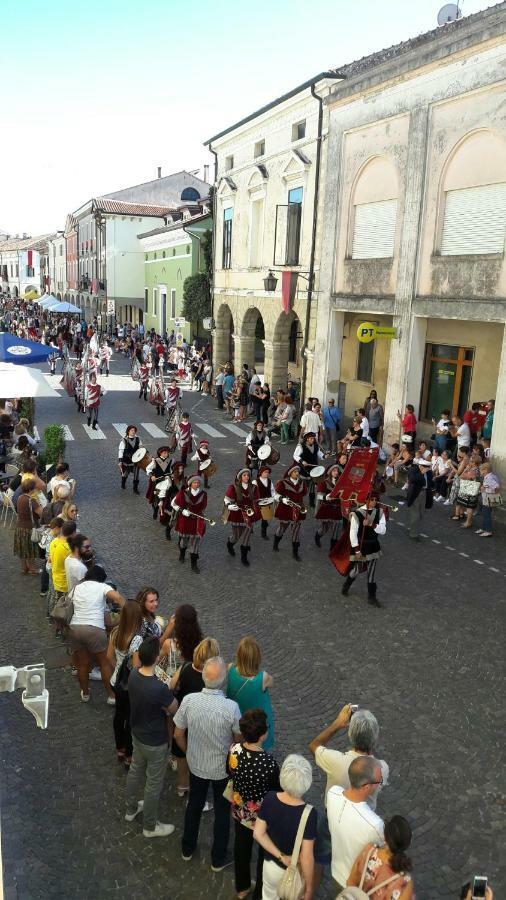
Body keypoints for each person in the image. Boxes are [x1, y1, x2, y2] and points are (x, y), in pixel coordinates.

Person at [174, 656, 242, 871]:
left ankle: (187, 848)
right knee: (223, 814)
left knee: (194, 805)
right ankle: (218, 859)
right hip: (222, 769)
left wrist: (189, 751)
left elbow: (177, 734)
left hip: (196, 764)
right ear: (222, 681)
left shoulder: (189, 701)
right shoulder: (231, 708)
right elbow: (238, 740)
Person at [125, 636, 179, 838]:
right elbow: (174, 708)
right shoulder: (159, 688)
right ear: (156, 658)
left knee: (135, 771)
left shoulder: (133, 676)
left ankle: (130, 809)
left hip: (137, 734)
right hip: (156, 741)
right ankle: (150, 826)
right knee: (153, 783)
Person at [227, 710, 280, 900]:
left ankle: (242, 887)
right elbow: (276, 790)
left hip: (240, 809)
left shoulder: (234, 749)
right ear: (263, 735)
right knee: (263, 853)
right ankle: (260, 892)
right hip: (261, 815)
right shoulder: (268, 763)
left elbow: (230, 771)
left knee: (241, 846)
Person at [253, 754, 317, 900]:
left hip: (271, 866)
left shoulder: (269, 798)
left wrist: (281, 856)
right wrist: (309, 887)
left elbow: (258, 833)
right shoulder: (310, 814)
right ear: (307, 783)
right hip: (293, 871)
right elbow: (307, 857)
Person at [309, 706, 389, 810]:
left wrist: (337, 723)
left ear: (350, 734)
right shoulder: (383, 768)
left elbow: (314, 746)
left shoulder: (334, 761)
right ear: (375, 736)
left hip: (333, 814)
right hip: (363, 820)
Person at [169, 637, 220, 798]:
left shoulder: (184, 667)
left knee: (181, 757)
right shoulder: (210, 680)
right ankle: (197, 790)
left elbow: (171, 685)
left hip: (183, 718)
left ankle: (182, 786)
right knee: (198, 757)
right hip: (200, 724)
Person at [68, 565, 125, 703]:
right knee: (104, 663)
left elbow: (69, 604)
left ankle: (85, 693)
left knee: (82, 664)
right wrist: (127, 609)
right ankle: (111, 696)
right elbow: (117, 598)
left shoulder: (77, 588)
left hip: (75, 629)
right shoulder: (102, 587)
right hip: (94, 629)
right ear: (101, 579)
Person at [327, 756, 384, 893]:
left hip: (336, 871)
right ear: (366, 787)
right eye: (379, 781)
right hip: (357, 884)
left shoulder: (332, 793)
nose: (380, 784)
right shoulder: (375, 824)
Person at [108, 600, 143, 768]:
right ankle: (129, 754)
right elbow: (136, 667)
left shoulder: (115, 632)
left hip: (116, 681)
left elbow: (109, 656)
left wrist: (118, 669)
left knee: (118, 715)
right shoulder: (136, 639)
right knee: (130, 720)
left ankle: (119, 748)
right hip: (130, 686)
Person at [346, 815, 414, 899]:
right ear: (407, 844)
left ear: (385, 837)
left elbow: (350, 882)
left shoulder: (368, 851)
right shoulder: (405, 882)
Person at [227, 636, 275, 750]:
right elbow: (272, 682)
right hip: (257, 724)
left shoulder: (230, 669)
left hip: (238, 722)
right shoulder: (263, 678)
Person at [341, 494, 386, 607]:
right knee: (357, 569)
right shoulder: (357, 513)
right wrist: (356, 550)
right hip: (361, 547)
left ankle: (372, 596)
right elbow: (353, 533)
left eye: (376, 500)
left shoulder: (380, 513)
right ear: (366, 500)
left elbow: (383, 530)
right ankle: (346, 585)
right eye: (371, 499)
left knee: (372, 573)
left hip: (373, 546)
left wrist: (371, 524)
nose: (374, 502)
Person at [224, 468, 261, 566]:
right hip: (237, 514)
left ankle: (243, 557)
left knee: (246, 537)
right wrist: (229, 505)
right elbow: (226, 499)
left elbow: (257, 500)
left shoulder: (253, 488)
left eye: (248, 475)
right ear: (240, 477)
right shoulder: (233, 487)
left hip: (249, 514)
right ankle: (230, 544)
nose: (246, 477)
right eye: (244, 475)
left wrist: (260, 504)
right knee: (236, 536)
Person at [172, 474, 208, 573]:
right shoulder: (183, 493)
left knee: (195, 543)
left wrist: (200, 513)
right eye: (194, 483)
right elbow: (174, 504)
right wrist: (182, 510)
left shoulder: (203, 494)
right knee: (184, 541)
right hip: (185, 520)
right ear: (190, 484)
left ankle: (194, 564)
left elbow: (204, 506)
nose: (196, 484)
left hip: (197, 521)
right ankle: (182, 554)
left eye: (198, 483)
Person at [273, 463, 308, 560]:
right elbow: (275, 495)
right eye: (295, 472)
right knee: (282, 528)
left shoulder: (302, 482)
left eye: (298, 472)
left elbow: (304, 493)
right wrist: (282, 499)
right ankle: (276, 543)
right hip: (286, 509)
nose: (297, 473)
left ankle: (295, 552)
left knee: (296, 531)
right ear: (290, 473)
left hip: (298, 508)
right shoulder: (283, 483)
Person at [13, 478, 41, 574]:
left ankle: (24, 568)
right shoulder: (32, 501)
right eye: (34, 488)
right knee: (29, 550)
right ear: (30, 489)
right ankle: (33, 569)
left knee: (22, 550)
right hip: (28, 528)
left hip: (19, 527)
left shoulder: (20, 498)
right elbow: (41, 513)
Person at [315, 462, 342, 549]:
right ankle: (317, 536)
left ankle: (332, 549)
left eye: (337, 470)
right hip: (326, 508)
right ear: (330, 472)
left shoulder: (341, 482)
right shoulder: (324, 482)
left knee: (335, 530)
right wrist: (326, 497)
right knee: (324, 529)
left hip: (337, 508)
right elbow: (319, 496)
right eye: (334, 471)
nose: (336, 472)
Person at [452, 449, 482, 529]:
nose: (469, 462)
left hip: (470, 490)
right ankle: (468, 521)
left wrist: (466, 470)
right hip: (470, 489)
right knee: (469, 507)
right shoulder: (475, 469)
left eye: (471, 461)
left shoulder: (474, 470)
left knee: (469, 508)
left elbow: (462, 476)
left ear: (475, 463)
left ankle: (468, 522)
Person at [406, 458, 433, 541]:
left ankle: (412, 527)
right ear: (420, 466)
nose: (428, 469)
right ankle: (413, 535)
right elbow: (412, 479)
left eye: (428, 467)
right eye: (426, 467)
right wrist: (421, 473)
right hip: (415, 494)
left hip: (424, 494)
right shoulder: (413, 470)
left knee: (421, 514)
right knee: (416, 515)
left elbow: (430, 481)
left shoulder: (428, 472)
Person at [145, 446, 172, 518]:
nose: (166, 454)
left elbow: (171, 470)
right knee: (155, 497)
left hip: (167, 481)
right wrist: (152, 476)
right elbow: (148, 469)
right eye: (165, 453)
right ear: (160, 453)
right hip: (157, 482)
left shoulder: (170, 460)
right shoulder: (155, 461)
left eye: (167, 453)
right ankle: (155, 509)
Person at [476, 462, 501, 537]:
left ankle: (488, 530)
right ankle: (484, 528)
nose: (480, 472)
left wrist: (485, 488)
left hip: (488, 498)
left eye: (481, 470)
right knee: (485, 514)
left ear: (485, 470)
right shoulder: (489, 476)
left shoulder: (489, 478)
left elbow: (497, 486)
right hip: (486, 498)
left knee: (487, 515)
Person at [252, 463, 276, 541]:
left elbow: (272, 491)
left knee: (265, 519)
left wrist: (273, 498)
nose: (267, 473)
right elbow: (251, 493)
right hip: (257, 503)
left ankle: (264, 533)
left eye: (268, 472)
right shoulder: (255, 482)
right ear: (261, 472)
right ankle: (250, 527)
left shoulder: (269, 481)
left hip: (266, 503)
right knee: (254, 516)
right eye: (265, 472)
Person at [118, 425, 141, 493]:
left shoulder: (138, 439)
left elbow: (141, 449)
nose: (133, 432)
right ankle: (123, 483)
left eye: (134, 431)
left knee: (136, 475)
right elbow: (121, 451)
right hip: (127, 460)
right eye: (132, 430)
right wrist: (120, 461)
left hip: (136, 461)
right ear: (128, 431)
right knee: (125, 473)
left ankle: (135, 489)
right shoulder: (124, 440)